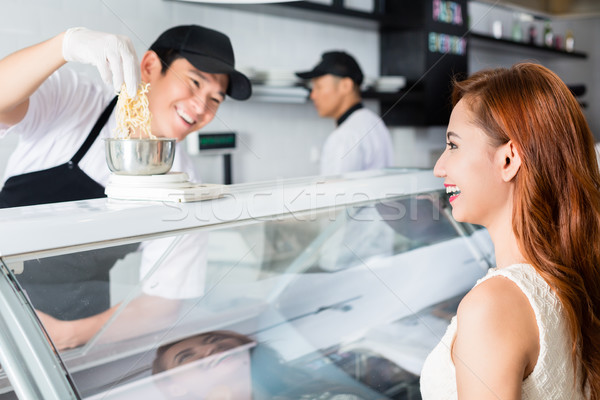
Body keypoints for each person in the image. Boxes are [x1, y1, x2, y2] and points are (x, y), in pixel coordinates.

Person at [0, 25, 251, 349]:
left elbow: (162, 304)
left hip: (70, 328)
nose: (201, 106)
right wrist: (63, 46)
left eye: (215, 99)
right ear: (149, 67)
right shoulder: (76, 101)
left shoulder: (184, 188)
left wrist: (66, 335)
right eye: (194, 82)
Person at [421, 62, 600, 399]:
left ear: (509, 160)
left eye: (454, 145)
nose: (439, 167)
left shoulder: (491, 307)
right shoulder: (573, 271)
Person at [295, 51, 393, 175]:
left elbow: (334, 192)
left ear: (346, 86)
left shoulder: (345, 136)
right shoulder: (373, 121)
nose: (313, 95)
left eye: (319, 87)